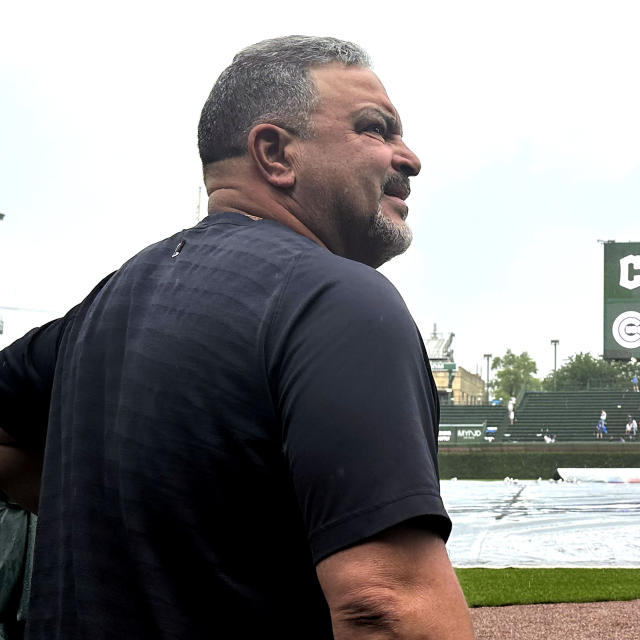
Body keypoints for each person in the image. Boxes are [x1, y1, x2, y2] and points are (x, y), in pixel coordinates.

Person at [0, 36, 473, 639]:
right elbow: (385, 608)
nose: (409, 158)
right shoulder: (335, 300)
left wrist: (126, 511)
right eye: (375, 130)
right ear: (275, 154)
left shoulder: (106, 303)